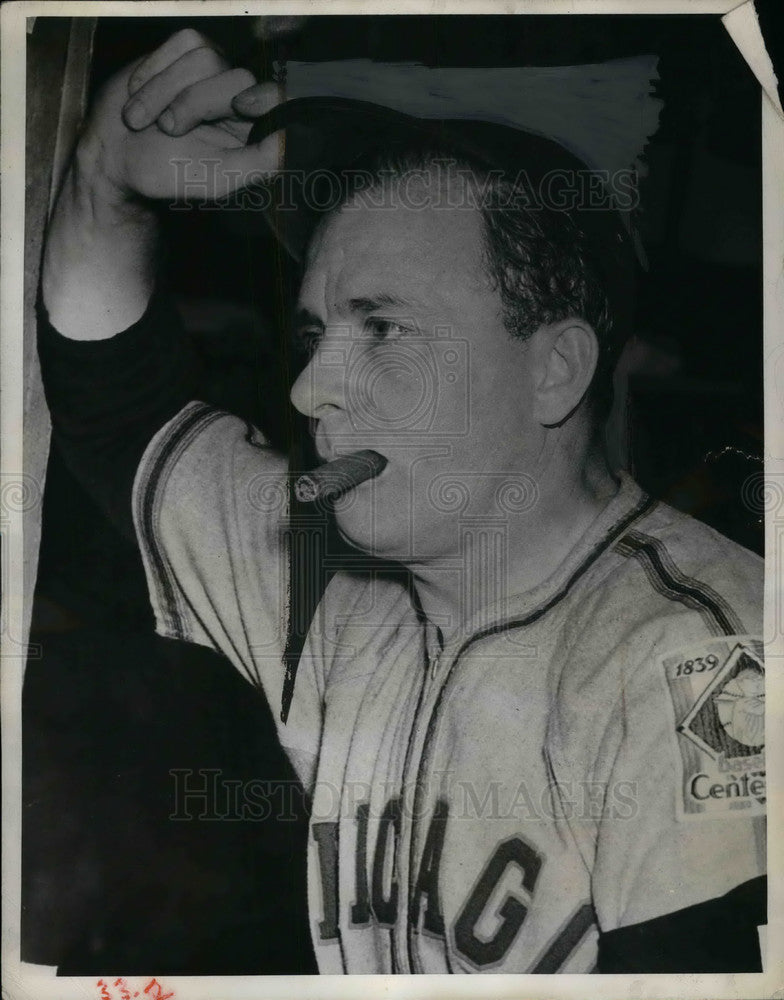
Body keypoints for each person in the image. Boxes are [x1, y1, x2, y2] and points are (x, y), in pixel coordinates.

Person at [39, 29, 766, 974]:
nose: (308, 392)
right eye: (313, 333)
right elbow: (120, 404)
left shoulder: (706, 661)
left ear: (554, 371)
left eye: (382, 328)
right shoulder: (331, 584)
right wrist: (103, 181)